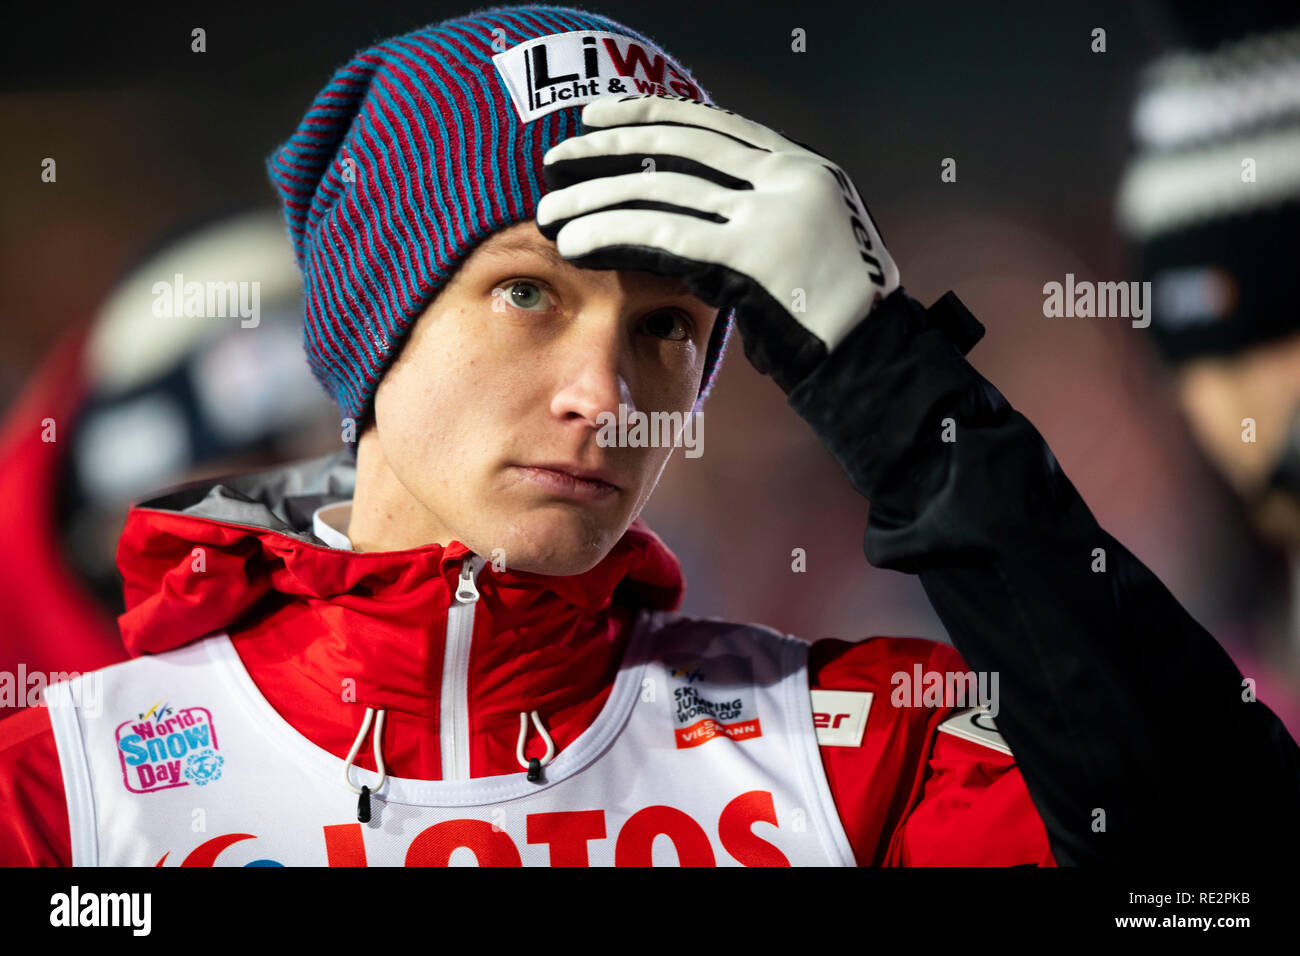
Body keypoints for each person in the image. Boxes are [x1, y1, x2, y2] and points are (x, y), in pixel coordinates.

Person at [0, 4, 1295, 867]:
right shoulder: (67, 787)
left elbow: (1219, 872)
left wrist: (894, 386)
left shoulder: (843, 749)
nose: (605, 392)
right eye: (526, 294)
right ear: (371, 330)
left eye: (668, 326)